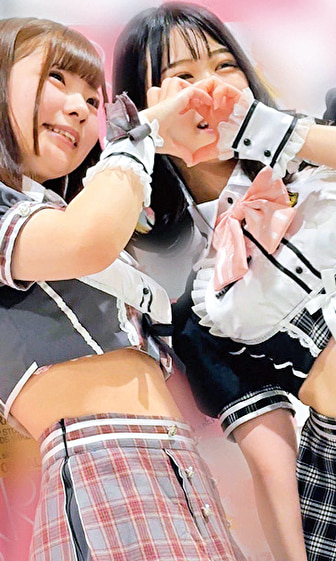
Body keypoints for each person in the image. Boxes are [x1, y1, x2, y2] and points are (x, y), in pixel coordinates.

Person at [112, 3, 336, 561]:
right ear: (147, 109)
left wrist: (278, 134)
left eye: (225, 65)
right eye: (183, 77)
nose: (211, 89)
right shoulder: (194, 298)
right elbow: (271, 462)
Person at [0, 16, 247, 561]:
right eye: (57, 78)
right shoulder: (38, 218)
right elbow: (84, 240)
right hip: (105, 463)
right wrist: (139, 136)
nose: (80, 108)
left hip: (176, 465)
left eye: (93, 99)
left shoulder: (60, 210)